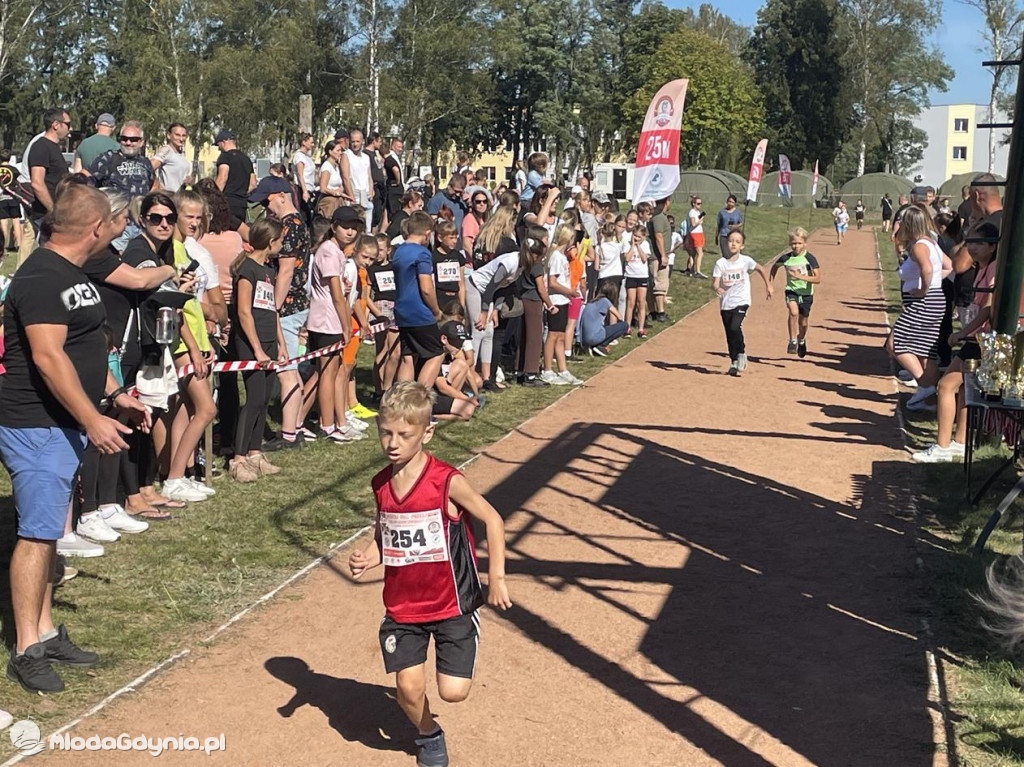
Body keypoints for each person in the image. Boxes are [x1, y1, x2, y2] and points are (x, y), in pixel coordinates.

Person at [0, 185, 150, 693]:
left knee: (46, 533)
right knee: (37, 535)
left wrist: (115, 395)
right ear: (96, 228)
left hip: (61, 423)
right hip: (35, 424)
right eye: (117, 221)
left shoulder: (70, 271)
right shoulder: (42, 275)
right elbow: (48, 357)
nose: (120, 228)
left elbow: (83, 347)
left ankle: (43, 632)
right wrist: (92, 419)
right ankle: (25, 649)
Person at [348, 381, 511, 767]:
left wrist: (498, 577)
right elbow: (384, 531)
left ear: (427, 432)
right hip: (403, 607)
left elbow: (493, 519)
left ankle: (466, 635)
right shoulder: (381, 484)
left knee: (453, 692)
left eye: (404, 434)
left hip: (451, 603)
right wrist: (372, 555)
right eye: (385, 432)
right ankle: (429, 735)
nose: (393, 442)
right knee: (407, 687)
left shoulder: (446, 481)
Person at [913, 221, 998, 462]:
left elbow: (987, 310)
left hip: (979, 340)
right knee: (962, 390)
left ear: (992, 247)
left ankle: (942, 446)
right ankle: (960, 442)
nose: (972, 248)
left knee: (946, 386)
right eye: (970, 242)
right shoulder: (980, 268)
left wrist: (963, 333)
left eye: (979, 244)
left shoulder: (993, 269)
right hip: (974, 337)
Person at [227, 218, 287, 482]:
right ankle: (238, 458)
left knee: (263, 400)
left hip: (269, 341)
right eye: (281, 240)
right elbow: (243, 311)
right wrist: (257, 349)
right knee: (253, 399)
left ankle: (255, 452)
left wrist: (280, 344)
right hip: (251, 343)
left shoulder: (269, 271)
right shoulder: (247, 270)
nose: (282, 245)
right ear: (271, 242)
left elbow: (271, 310)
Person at [887, 205, 950, 410]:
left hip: (924, 303)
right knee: (925, 351)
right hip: (934, 301)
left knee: (895, 343)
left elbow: (927, 268)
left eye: (901, 223)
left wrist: (924, 290)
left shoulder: (919, 246)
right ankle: (932, 397)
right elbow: (948, 266)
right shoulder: (931, 242)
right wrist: (933, 285)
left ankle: (924, 385)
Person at [392, 211, 445, 386]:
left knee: (408, 356)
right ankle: (419, 399)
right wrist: (436, 311)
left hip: (402, 311)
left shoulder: (399, 251)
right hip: (420, 311)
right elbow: (426, 288)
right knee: (436, 353)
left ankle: (401, 402)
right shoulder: (422, 254)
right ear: (428, 234)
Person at [713, 230, 773, 376]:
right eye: (731, 240)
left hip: (742, 301)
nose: (733, 243)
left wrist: (768, 285)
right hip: (726, 303)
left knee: (735, 327)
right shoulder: (720, 263)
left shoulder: (746, 261)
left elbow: (760, 268)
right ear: (726, 243)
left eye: (737, 241)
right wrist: (717, 288)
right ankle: (734, 361)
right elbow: (714, 282)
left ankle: (741, 353)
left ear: (742, 246)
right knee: (729, 333)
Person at [769, 227, 821, 358]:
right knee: (793, 312)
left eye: (799, 243)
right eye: (793, 243)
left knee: (803, 322)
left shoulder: (810, 258)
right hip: (791, 291)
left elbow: (818, 279)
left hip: (806, 293)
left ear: (805, 243)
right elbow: (774, 267)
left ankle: (801, 340)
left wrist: (801, 277)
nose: (796, 246)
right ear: (789, 243)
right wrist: (770, 284)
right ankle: (792, 341)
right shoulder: (786, 258)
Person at [540, 225, 582, 385]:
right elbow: (552, 282)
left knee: (561, 336)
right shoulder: (556, 256)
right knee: (553, 335)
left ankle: (563, 369)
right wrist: (569, 291)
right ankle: (548, 369)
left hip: (563, 300)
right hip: (557, 300)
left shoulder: (562, 256)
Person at [27, 108, 71, 220]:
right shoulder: (41, 146)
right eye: (68, 124)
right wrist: (52, 211)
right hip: (45, 216)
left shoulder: (54, 147)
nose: (70, 128)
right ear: (56, 125)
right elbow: (37, 183)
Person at [213, 129, 256, 222]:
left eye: (218, 145)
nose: (218, 148)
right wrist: (240, 192)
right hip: (242, 204)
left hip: (227, 203)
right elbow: (253, 184)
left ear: (223, 142)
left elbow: (222, 178)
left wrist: (214, 197)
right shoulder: (246, 159)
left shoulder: (225, 157)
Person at [580, 281, 627, 356]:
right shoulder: (605, 301)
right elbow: (619, 317)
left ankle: (593, 346)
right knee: (624, 325)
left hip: (584, 339)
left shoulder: (591, 302)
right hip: (593, 337)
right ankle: (601, 346)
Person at [340, 129, 374, 232]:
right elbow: (346, 177)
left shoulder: (366, 157)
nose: (355, 144)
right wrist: (351, 197)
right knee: (356, 223)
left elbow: (369, 175)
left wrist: (371, 190)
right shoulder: (346, 155)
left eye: (357, 141)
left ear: (362, 141)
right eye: (353, 141)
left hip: (366, 194)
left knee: (367, 225)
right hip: (354, 193)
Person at [623, 224, 650, 339]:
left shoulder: (646, 245)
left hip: (642, 275)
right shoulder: (627, 244)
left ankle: (641, 328)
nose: (637, 238)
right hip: (630, 275)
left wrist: (638, 247)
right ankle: (627, 327)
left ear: (643, 237)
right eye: (635, 236)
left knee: (641, 301)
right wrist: (632, 246)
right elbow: (627, 258)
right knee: (631, 302)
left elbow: (644, 258)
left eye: (639, 237)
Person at [648, 196, 671, 321]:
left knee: (655, 283)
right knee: (660, 283)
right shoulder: (659, 217)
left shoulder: (658, 215)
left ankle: (654, 311)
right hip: (657, 256)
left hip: (657, 256)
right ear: (666, 201)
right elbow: (658, 236)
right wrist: (663, 255)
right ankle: (660, 312)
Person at [151, 123, 192, 193]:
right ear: (169, 136)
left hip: (180, 197)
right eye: (177, 135)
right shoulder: (166, 150)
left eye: (184, 136)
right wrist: (157, 184)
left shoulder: (181, 153)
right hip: (168, 198)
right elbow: (149, 167)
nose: (181, 139)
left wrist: (189, 180)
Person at [292, 132, 317, 221]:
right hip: (302, 188)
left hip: (309, 188)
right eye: (311, 142)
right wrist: (305, 191)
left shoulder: (307, 157)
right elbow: (300, 174)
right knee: (304, 215)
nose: (312, 145)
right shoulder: (299, 156)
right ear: (304, 142)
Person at [384, 137, 405, 221]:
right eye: (398, 147)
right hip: (394, 191)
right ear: (392, 146)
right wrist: (398, 181)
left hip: (397, 190)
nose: (400, 149)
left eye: (401, 147)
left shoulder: (395, 157)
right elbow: (396, 170)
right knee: (393, 214)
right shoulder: (391, 158)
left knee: (388, 214)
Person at [685, 196, 707, 278]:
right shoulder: (692, 212)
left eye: (700, 203)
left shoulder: (697, 212)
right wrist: (700, 220)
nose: (699, 205)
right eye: (698, 203)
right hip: (696, 234)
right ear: (693, 204)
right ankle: (698, 271)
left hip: (696, 233)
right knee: (700, 253)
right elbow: (693, 224)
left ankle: (691, 270)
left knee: (693, 254)